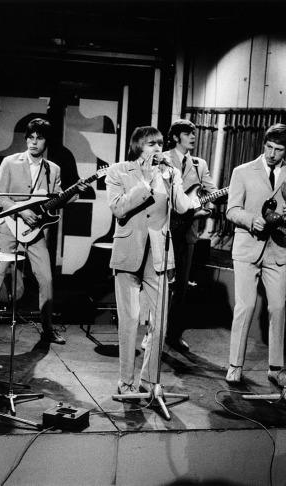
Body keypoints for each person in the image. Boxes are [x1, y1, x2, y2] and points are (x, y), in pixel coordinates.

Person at [106, 126, 193, 396]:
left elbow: (182, 207)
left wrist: (173, 179)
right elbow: (118, 208)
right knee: (130, 320)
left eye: (159, 144)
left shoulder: (168, 173)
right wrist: (146, 182)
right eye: (150, 144)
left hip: (159, 254)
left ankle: (149, 379)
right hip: (128, 252)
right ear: (137, 146)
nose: (157, 149)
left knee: (160, 322)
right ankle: (126, 381)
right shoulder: (118, 171)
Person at [0, 118, 86, 345]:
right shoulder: (9, 162)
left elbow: (55, 201)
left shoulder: (53, 169)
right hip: (9, 226)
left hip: (34, 231)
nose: (33, 142)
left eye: (39, 138)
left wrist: (74, 194)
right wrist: (21, 210)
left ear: (46, 142)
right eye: (31, 138)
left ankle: (47, 329)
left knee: (46, 278)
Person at [225, 124, 286, 387]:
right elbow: (231, 210)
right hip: (248, 248)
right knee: (245, 306)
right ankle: (235, 365)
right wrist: (250, 220)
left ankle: (275, 368)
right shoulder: (242, 172)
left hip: (277, 250)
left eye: (278, 149)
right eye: (269, 147)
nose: (272, 153)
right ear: (264, 145)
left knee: (278, 308)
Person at [163, 119, 218, 351]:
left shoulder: (199, 163)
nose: (193, 137)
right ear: (176, 137)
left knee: (182, 288)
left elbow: (211, 191)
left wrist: (207, 206)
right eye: (188, 133)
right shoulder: (162, 159)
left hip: (188, 232)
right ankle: (152, 333)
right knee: (160, 285)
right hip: (164, 229)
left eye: (194, 133)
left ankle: (174, 335)